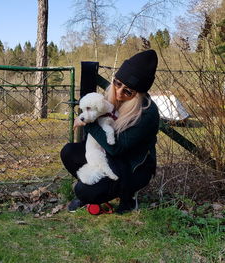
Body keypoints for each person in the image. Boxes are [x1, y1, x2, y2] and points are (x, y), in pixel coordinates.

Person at [60, 49, 160, 214]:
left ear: (139, 94)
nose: (119, 93)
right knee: (69, 151)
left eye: (128, 91)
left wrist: (88, 123)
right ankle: (95, 189)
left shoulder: (147, 113)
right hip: (109, 155)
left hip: (132, 167)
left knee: (83, 191)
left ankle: (127, 196)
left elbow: (117, 148)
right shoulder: (110, 98)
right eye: (117, 83)